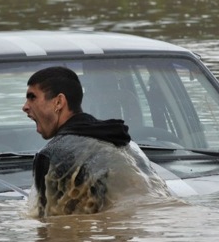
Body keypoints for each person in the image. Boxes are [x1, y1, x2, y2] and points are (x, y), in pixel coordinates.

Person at [22, 66, 171, 217]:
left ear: (59, 102)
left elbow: (49, 227)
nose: (25, 107)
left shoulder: (52, 155)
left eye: (32, 97)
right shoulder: (125, 143)